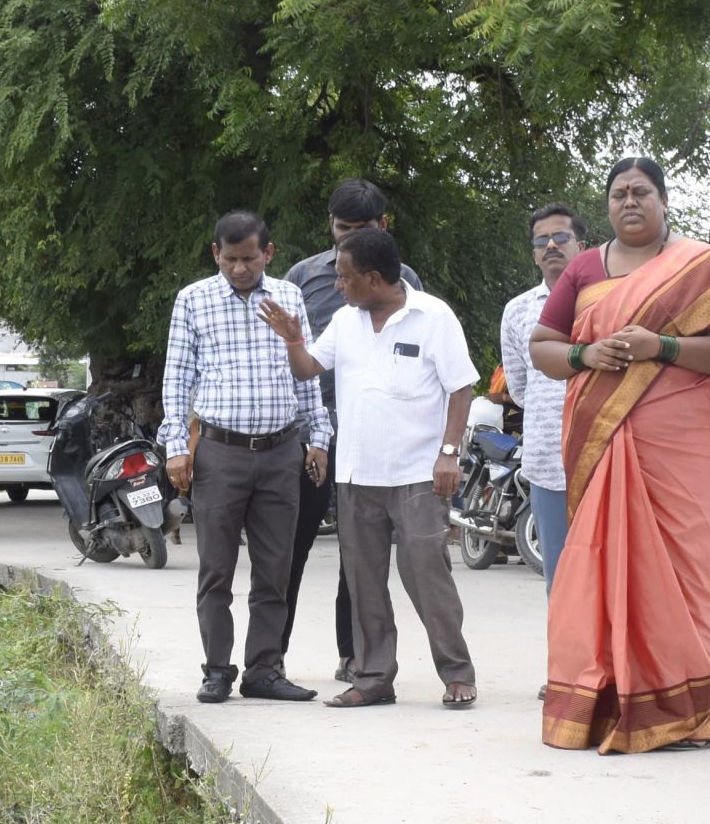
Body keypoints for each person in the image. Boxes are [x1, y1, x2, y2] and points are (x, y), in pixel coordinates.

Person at [528, 157, 710, 753]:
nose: (629, 202)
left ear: (664, 201)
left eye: (641, 192)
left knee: (689, 569)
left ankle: (689, 713)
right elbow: (544, 344)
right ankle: (606, 701)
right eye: (618, 194)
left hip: (691, 446)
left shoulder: (702, 266)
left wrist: (661, 345)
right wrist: (585, 357)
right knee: (601, 568)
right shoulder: (586, 268)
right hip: (604, 442)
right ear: (607, 206)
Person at [261, 227, 481, 708]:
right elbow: (307, 370)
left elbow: (460, 387)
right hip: (357, 474)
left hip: (418, 474)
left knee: (428, 575)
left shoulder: (433, 316)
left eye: (345, 277)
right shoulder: (345, 320)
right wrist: (295, 339)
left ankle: (457, 672)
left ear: (374, 278)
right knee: (364, 582)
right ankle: (375, 677)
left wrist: (449, 453)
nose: (338, 285)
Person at [159, 211, 330, 705]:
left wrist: (318, 436)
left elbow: (307, 373)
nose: (239, 268)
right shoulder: (192, 299)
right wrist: (176, 448)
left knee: (275, 568)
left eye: (249, 258)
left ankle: (265, 670)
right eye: (229, 259)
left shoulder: (289, 297)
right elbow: (177, 379)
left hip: (280, 452)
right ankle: (217, 669)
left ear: (268, 254)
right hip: (219, 452)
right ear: (216, 254)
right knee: (216, 568)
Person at [281, 179, 423, 682]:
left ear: (383, 227)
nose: (350, 241)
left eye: (362, 231)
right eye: (343, 230)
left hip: (373, 437)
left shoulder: (406, 281)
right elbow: (290, 357)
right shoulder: (300, 277)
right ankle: (269, 658)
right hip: (309, 435)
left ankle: (354, 656)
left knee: (358, 555)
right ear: (330, 224)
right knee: (289, 546)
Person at [498, 203, 584, 588]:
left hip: (604, 459)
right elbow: (518, 388)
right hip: (547, 463)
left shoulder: (608, 301)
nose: (551, 245)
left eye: (560, 237)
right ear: (534, 252)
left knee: (613, 576)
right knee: (560, 579)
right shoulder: (517, 311)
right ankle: (566, 652)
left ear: (582, 243)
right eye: (541, 240)